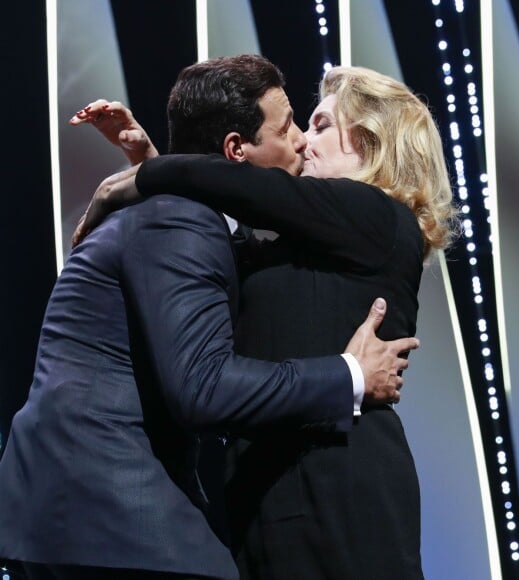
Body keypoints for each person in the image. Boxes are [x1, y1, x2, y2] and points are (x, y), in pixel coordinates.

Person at [0, 55, 420, 580]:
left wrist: (146, 175)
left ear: (373, 143)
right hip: (254, 495)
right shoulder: (239, 234)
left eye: (319, 124)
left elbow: (239, 192)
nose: (302, 141)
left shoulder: (379, 216)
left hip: (339, 486)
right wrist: (157, 171)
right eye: (293, 124)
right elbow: (207, 229)